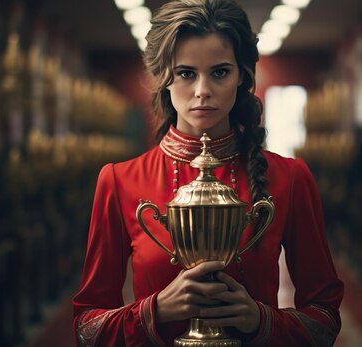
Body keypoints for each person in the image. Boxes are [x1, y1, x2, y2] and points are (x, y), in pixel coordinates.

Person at [72, 0, 344, 345]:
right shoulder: (118, 180)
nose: (202, 91)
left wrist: (261, 320)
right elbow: (86, 327)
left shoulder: (289, 177)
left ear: (242, 76)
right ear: (162, 78)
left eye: (219, 72)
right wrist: (154, 311)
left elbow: (325, 320)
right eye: (186, 73)